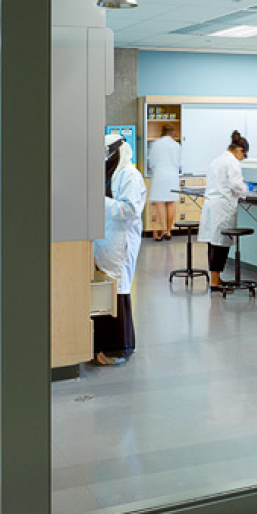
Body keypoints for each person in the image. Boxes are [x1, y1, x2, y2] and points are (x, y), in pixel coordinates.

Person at [91, 134, 147, 365]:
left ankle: (118, 348)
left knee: (118, 291)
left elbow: (129, 210)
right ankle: (103, 346)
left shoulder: (129, 175)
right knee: (106, 292)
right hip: (106, 239)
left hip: (120, 241)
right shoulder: (109, 173)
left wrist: (98, 200)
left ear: (116, 152)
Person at [198, 130, 249, 292]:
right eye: (244, 155)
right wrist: (247, 191)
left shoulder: (216, 160)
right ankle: (214, 282)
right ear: (239, 150)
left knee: (213, 243)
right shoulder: (232, 162)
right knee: (220, 244)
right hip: (223, 206)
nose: (242, 158)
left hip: (212, 205)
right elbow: (236, 184)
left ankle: (216, 278)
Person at [147, 124, 182, 240]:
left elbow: (151, 161)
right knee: (170, 203)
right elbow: (180, 162)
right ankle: (168, 231)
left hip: (159, 176)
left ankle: (162, 230)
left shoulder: (156, 144)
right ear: (172, 133)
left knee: (159, 203)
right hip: (172, 176)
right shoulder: (176, 145)